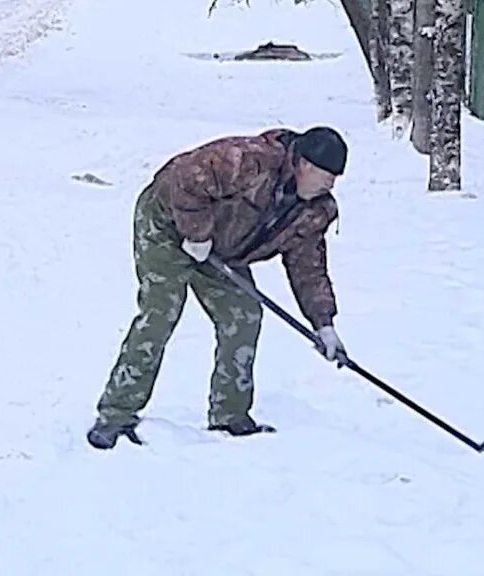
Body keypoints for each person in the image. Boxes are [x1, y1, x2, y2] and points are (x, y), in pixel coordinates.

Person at [86, 126, 350, 450]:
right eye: (327, 176)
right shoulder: (248, 160)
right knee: (160, 313)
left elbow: (308, 267)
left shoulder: (315, 209)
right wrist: (197, 234)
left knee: (243, 316)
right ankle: (115, 415)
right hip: (167, 226)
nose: (331, 185)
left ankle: (230, 415)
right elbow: (182, 180)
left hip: (221, 250)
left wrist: (324, 324)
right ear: (304, 164)